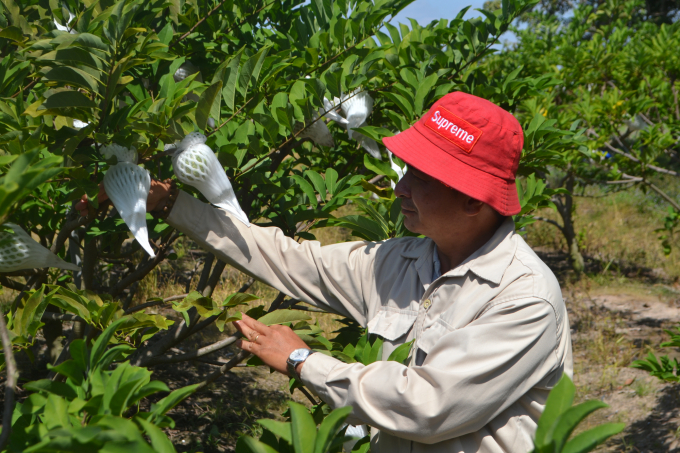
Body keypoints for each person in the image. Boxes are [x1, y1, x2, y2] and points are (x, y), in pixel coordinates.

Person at [77, 92, 572, 453]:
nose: (401, 186)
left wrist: (301, 361)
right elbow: (293, 260)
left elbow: (428, 406)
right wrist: (169, 203)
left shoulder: (523, 298)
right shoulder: (402, 261)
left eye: (421, 176)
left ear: (471, 198)